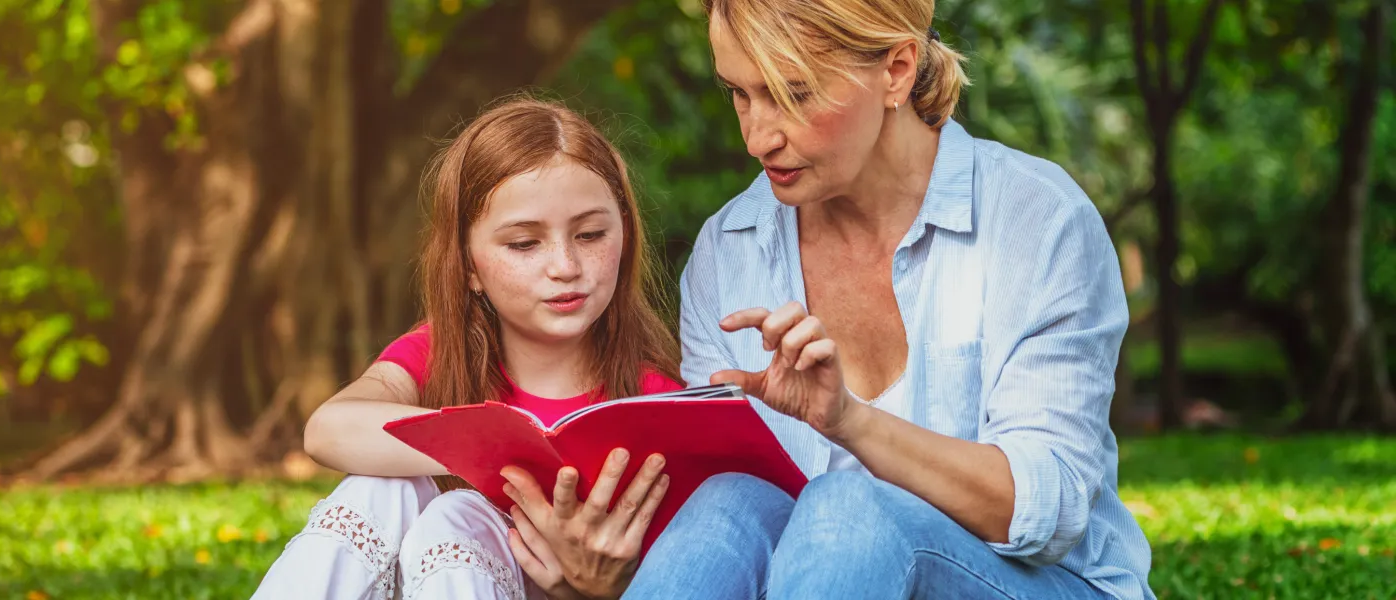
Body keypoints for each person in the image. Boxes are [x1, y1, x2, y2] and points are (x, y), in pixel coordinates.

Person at [501, 1, 1155, 598]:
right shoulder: (731, 249)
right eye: (739, 94)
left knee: (848, 504)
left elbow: (1046, 514)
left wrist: (850, 421)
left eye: (792, 94)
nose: (758, 137)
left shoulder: (1036, 219)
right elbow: (733, 529)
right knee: (728, 500)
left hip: (1043, 585)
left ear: (897, 69)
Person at [251, 97, 683, 600]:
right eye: (524, 244)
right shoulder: (439, 350)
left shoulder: (653, 398)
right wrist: (492, 451)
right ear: (469, 266)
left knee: (459, 515)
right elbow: (329, 429)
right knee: (385, 485)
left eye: (590, 235)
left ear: (625, 238)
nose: (566, 265)